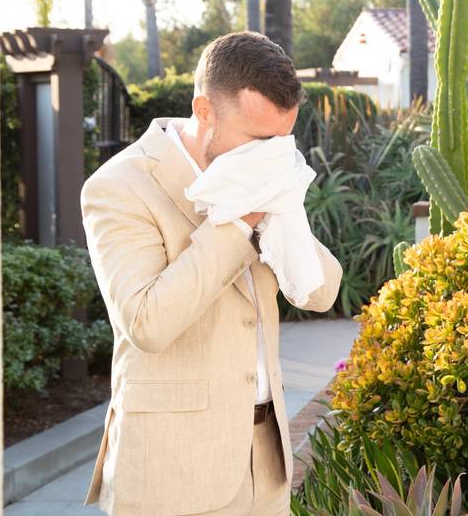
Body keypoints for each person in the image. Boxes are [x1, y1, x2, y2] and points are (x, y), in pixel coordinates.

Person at [80, 31, 342, 515]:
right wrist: (240, 222)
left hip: (266, 462)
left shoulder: (265, 179)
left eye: (283, 139)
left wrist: (283, 211)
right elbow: (146, 322)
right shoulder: (118, 187)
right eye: (260, 140)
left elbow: (321, 293)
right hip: (173, 470)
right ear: (205, 111)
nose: (273, 153)